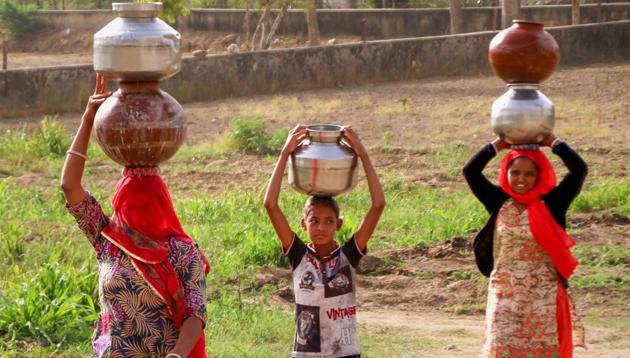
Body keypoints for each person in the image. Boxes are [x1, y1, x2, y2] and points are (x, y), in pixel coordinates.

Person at [61, 74, 209, 358]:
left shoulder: (181, 252)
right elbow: (69, 186)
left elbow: (195, 313)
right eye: (132, 201)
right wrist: (88, 118)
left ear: (162, 204)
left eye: (147, 201)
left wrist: (177, 355)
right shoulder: (108, 241)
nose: (139, 210)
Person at [264, 125, 385, 358]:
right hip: (306, 354)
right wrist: (284, 154)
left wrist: (363, 155)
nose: (321, 227)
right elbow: (270, 205)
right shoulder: (299, 255)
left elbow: (378, 205)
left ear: (338, 225)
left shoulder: (348, 256)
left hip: (346, 352)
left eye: (329, 221)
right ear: (303, 224)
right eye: (315, 221)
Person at [462, 134, 588, 358]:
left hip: (543, 295)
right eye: (515, 172)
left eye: (529, 173)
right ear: (506, 173)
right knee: (500, 346)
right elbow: (470, 171)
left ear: (539, 175)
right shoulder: (498, 200)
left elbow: (579, 170)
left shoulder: (553, 202)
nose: (521, 179)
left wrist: (553, 143)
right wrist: (497, 145)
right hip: (504, 292)